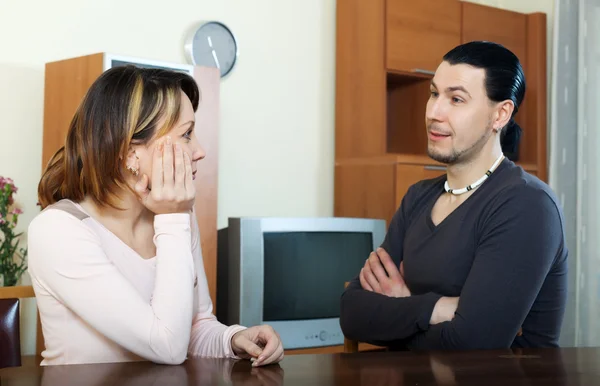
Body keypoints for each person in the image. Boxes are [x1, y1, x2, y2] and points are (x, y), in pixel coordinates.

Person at [28, 65, 284, 366]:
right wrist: (173, 218)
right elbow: (166, 345)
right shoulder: (58, 231)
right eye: (186, 134)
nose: (200, 150)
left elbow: (194, 327)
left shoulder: (175, 216)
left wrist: (234, 339)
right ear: (129, 154)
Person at [339, 41, 568, 350]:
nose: (434, 112)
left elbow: (473, 345)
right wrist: (437, 308)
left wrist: (403, 307)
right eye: (434, 94)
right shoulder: (418, 197)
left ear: (500, 114)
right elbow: (352, 314)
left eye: (456, 99)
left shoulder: (526, 205)